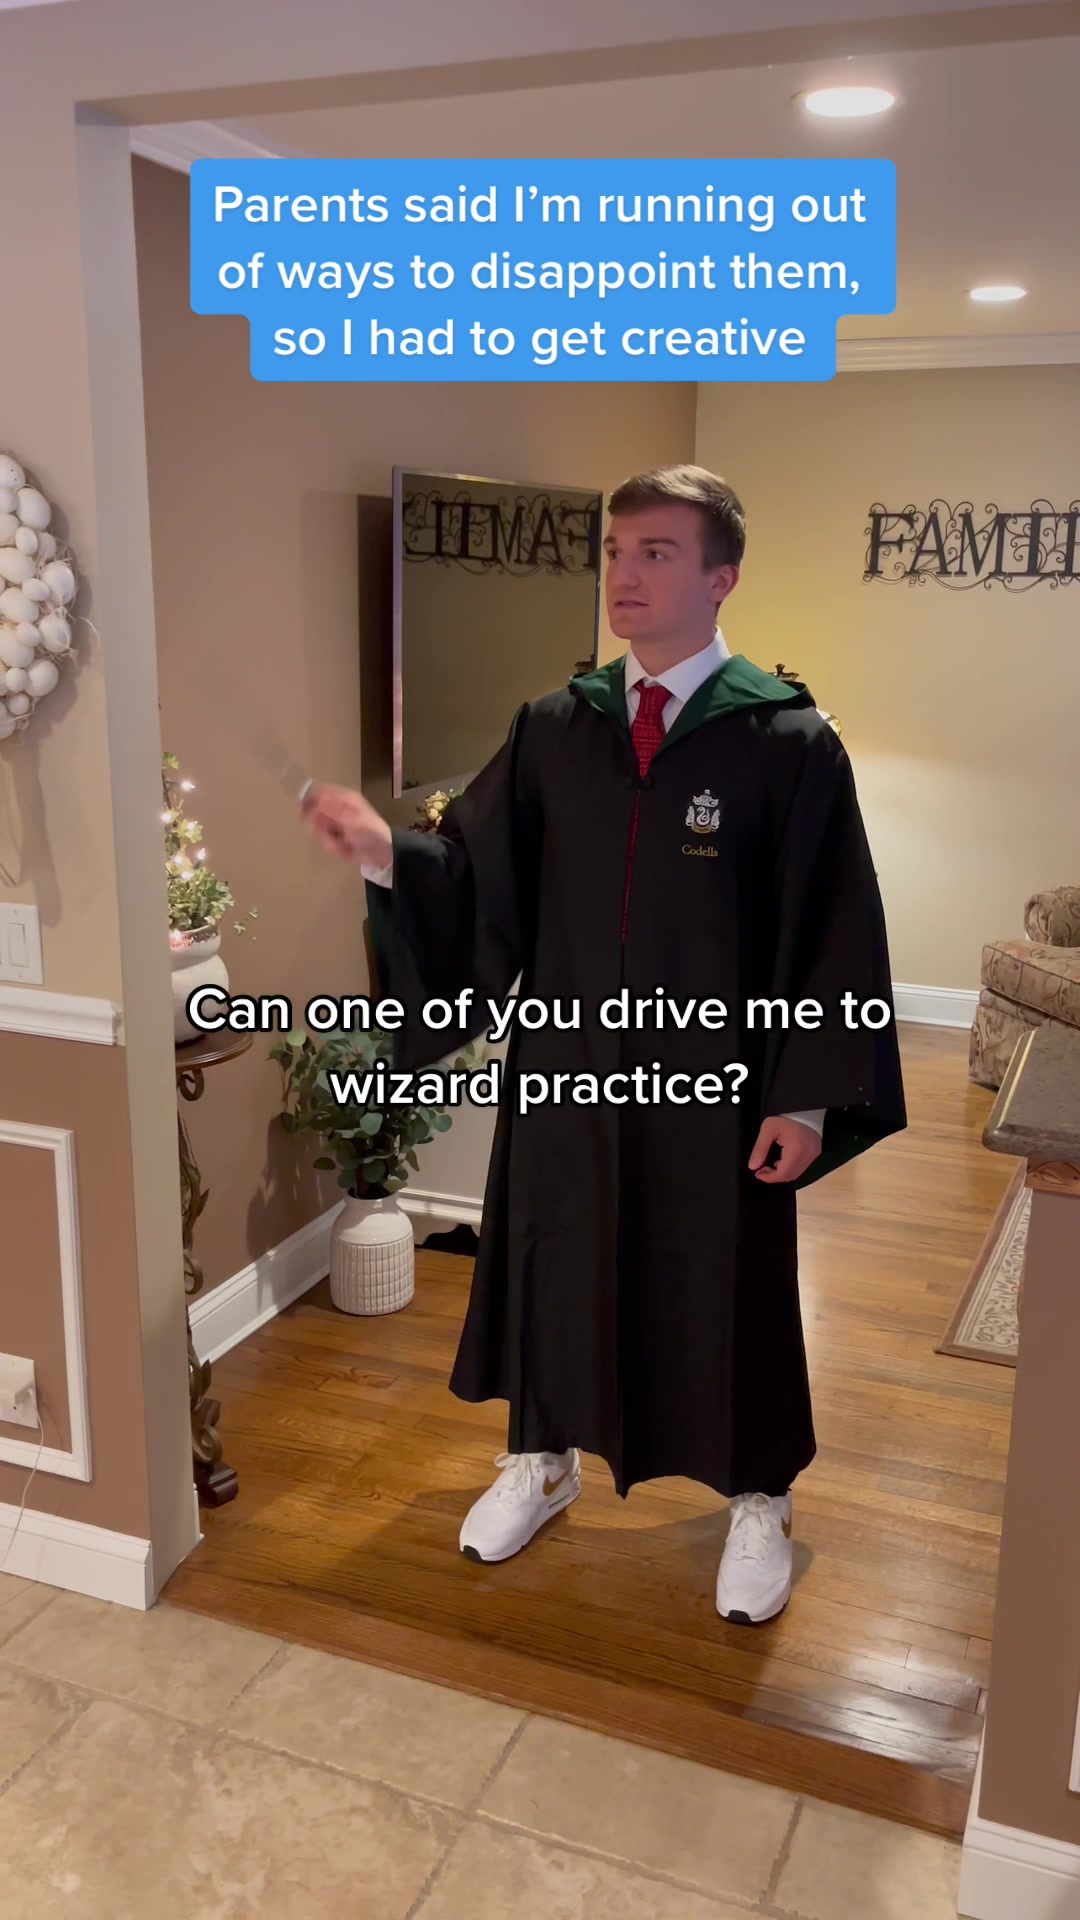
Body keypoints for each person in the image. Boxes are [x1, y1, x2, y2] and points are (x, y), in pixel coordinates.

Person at [304, 463, 905, 1627]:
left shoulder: (786, 741)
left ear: (722, 577)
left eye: (657, 553)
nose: (624, 575)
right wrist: (387, 852)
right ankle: (543, 1458)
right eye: (616, 552)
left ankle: (759, 1496)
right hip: (569, 1070)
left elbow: (833, 926)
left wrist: (803, 1099)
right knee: (555, 1255)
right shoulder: (554, 728)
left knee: (724, 1278)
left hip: (717, 1083)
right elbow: (479, 875)